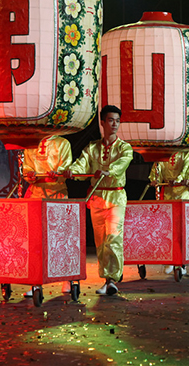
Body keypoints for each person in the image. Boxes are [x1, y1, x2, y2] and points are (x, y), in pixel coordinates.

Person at [67, 105, 133, 296]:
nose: (115, 124)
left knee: (113, 237)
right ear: (102, 122)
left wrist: (109, 171)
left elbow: (122, 163)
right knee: (101, 241)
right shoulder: (93, 147)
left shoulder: (124, 148)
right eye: (111, 120)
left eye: (117, 121)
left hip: (116, 196)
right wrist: (73, 171)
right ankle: (107, 279)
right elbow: (82, 163)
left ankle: (112, 278)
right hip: (97, 197)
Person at [21, 134, 73, 297]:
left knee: (60, 238)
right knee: (36, 241)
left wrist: (57, 173)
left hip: (57, 194)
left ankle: (67, 279)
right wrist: (29, 175)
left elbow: (66, 167)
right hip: (36, 195)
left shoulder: (63, 143)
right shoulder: (31, 143)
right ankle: (35, 282)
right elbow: (27, 168)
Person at [149, 149, 189, 275]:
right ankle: (170, 260)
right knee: (168, 230)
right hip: (167, 194)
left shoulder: (186, 153)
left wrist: (178, 179)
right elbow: (156, 170)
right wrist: (155, 179)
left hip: (182, 194)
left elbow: (185, 170)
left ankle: (182, 263)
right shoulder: (162, 154)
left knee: (182, 230)